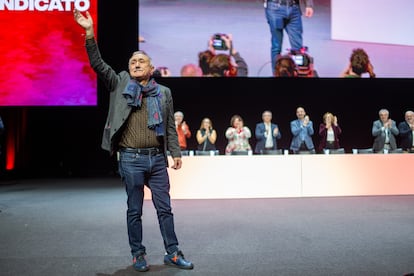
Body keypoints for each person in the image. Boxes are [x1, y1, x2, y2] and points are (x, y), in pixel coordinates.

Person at [73, 9, 193, 272]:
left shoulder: (163, 93)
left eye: (141, 61)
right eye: (132, 62)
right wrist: (90, 33)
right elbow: (98, 64)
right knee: (134, 211)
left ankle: (172, 253)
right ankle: (138, 255)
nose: (136, 64)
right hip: (131, 159)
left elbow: (171, 126)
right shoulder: (119, 84)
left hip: (157, 159)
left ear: (151, 68)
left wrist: (176, 153)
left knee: (165, 209)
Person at [264, 0, 314, 75]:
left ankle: (298, 74)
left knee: (298, 49)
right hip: (275, 8)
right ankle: (277, 74)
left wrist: (309, 4)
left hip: (294, 8)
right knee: (276, 46)